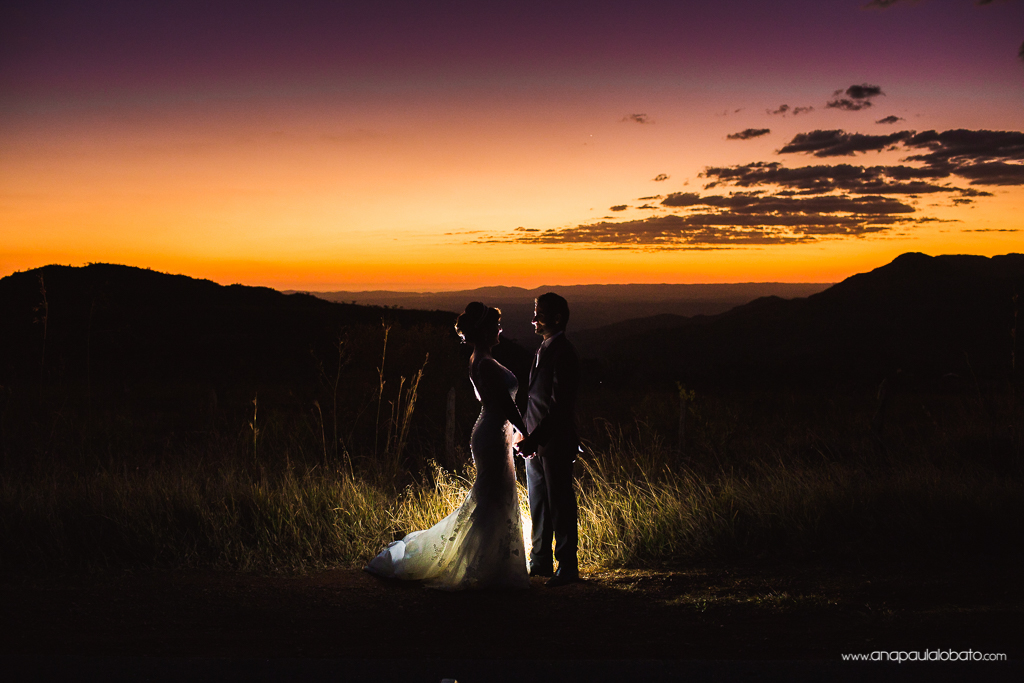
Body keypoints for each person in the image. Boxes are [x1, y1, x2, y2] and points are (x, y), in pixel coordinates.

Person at [364, 302, 530, 590]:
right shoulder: (486, 363)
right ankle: (486, 566)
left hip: (494, 431)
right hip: (492, 432)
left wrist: (514, 432)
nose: (500, 329)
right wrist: (526, 432)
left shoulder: (480, 358)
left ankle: (494, 563)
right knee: (493, 496)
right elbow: (504, 404)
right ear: (484, 330)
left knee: (494, 497)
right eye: (496, 325)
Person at [515, 292, 582, 587]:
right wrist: (525, 434)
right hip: (535, 442)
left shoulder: (564, 353)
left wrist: (535, 438)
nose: (533, 319)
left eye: (538, 313)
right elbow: (535, 399)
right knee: (539, 503)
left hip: (553, 442)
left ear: (556, 318)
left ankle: (567, 565)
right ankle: (540, 560)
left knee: (560, 504)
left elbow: (558, 406)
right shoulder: (544, 349)